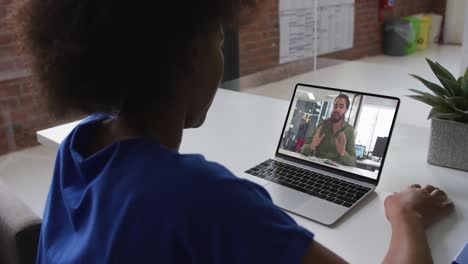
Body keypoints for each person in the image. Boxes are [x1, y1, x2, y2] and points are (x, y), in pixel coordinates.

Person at [13, 0, 454, 263]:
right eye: (218, 41)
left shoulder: (79, 145)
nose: (220, 56)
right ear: (185, 56)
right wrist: (406, 216)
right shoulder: (202, 195)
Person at [300, 94, 357, 166]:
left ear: (346, 110)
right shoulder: (321, 125)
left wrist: (343, 153)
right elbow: (302, 150)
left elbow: (353, 162)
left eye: (341, 107)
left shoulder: (349, 131)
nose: (337, 109)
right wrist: (312, 146)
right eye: (335, 106)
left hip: (334, 172)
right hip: (316, 167)